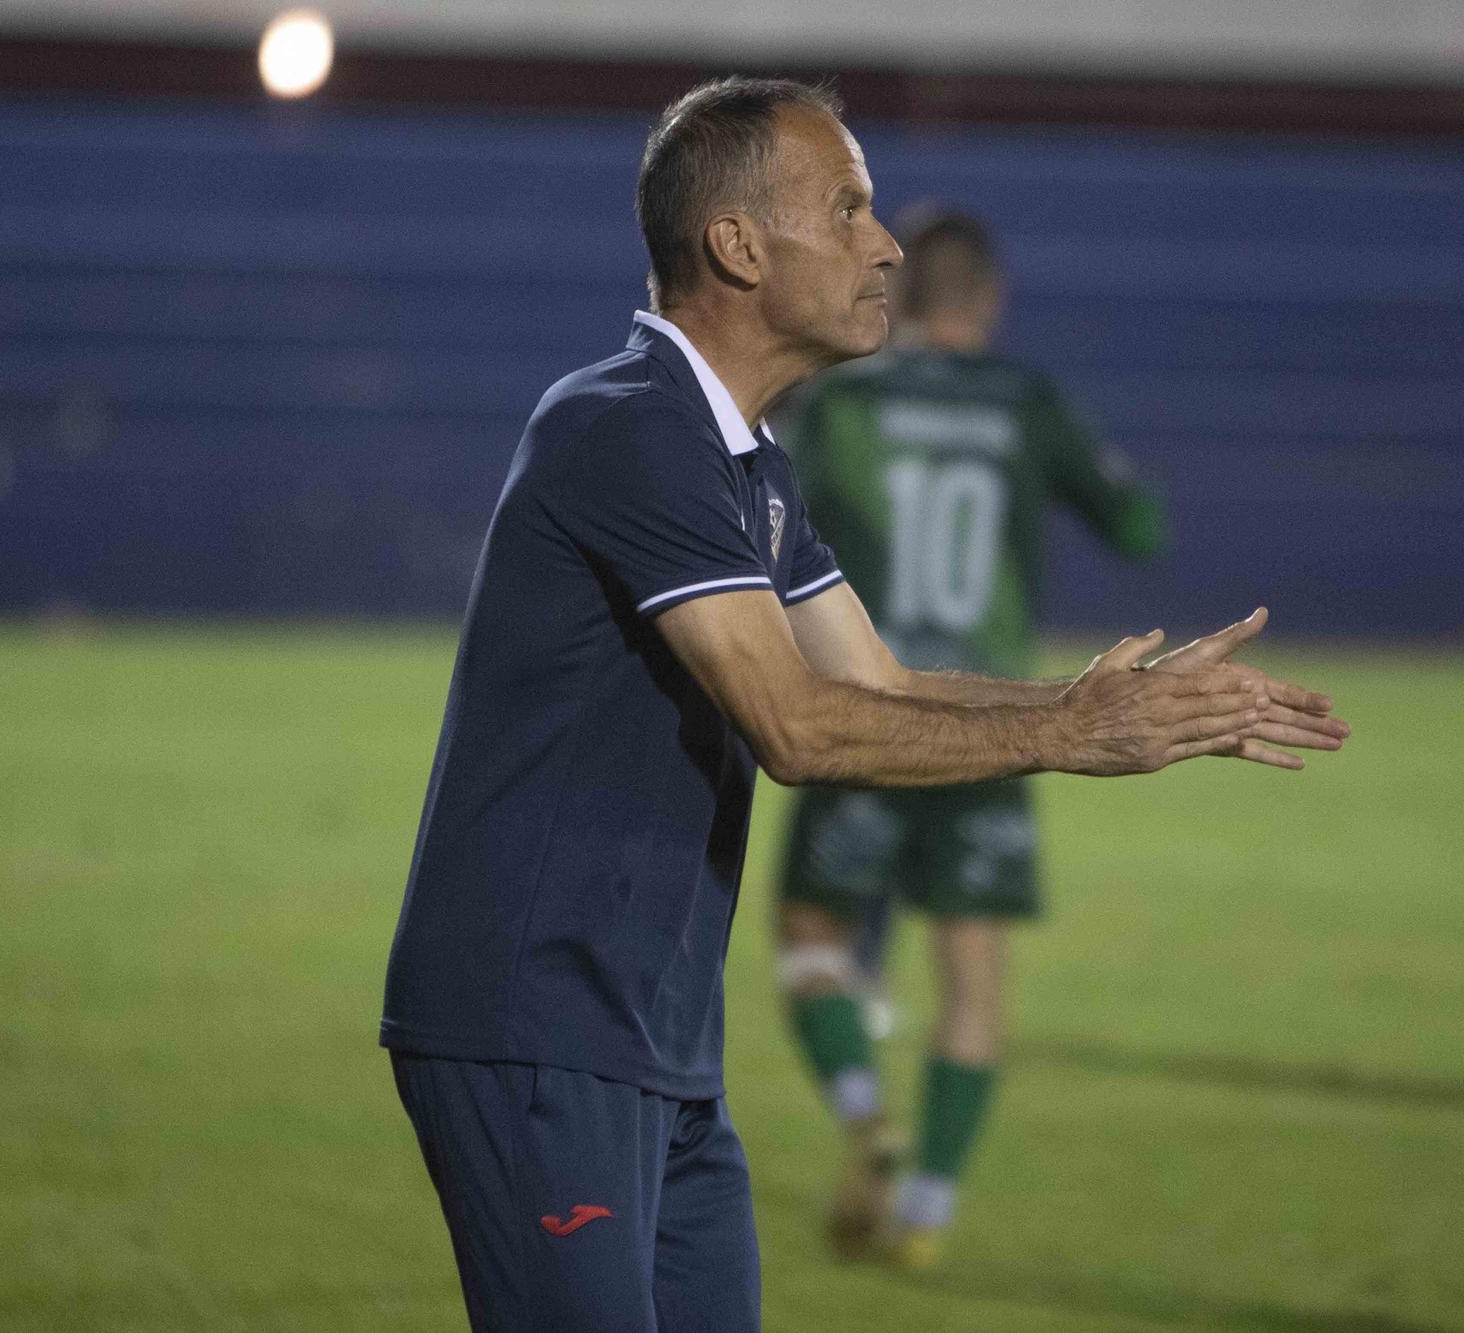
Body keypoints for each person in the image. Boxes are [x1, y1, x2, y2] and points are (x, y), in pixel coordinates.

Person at [379, 76, 1350, 1333]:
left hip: (656, 1040)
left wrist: (1096, 698)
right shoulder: (624, 428)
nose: (884, 244)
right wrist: (1066, 735)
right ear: (735, 244)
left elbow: (872, 683)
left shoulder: (744, 459)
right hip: (536, 1031)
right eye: (844, 208)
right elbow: (794, 725)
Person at [770, 208, 1169, 1269]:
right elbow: (1139, 527)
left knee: (812, 936)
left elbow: (756, 518)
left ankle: (866, 1122)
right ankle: (931, 1214)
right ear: (988, 299)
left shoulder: (839, 400)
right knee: (972, 977)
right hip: (994, 725)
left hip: (870, 714)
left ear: (893, 297)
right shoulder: (1029, 402)